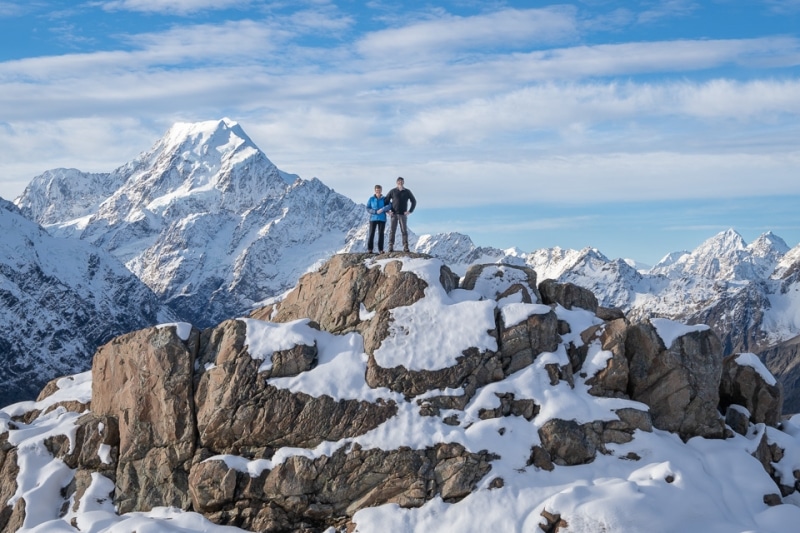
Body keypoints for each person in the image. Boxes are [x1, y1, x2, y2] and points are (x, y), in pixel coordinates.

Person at [384, 176, 416, 253]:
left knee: (404, 231)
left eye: (401, 181)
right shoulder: (392, 191)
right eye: (399, 181)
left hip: (403, 214)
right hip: (394, 214)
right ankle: (390, 247)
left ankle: (405, 247)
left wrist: (410, 211)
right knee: (392, 231)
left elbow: (414, 201)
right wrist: (388, 211)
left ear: (403, 182)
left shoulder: (407, 191)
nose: (400, 183)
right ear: (397, 182)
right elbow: (386, 201)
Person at [366, 184, 390, 254]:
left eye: (379, 190)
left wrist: (383, 209)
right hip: (373, 218)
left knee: (381, 234)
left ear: (381, 190)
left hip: (382, 218)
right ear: (375, 190)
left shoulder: (384, 199)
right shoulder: (371, 199)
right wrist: (375, 211)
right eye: (377, 190)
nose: (378, 191)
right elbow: (367, 208)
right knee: (371, 233)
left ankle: (381, 249)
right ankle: (370, 249)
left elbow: (389, 205)